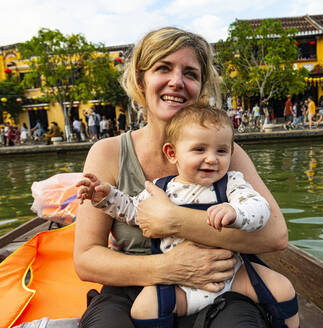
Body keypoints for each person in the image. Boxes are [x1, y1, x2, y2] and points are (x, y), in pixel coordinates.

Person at [75, 27, 291, 328]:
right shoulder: (108, 152)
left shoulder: (225, 154)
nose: (176, 81)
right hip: (132, 284)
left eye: (190, 73)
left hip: (220, 284)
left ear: (200, 86)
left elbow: (276, 235)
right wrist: (169, 267)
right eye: (163, 68)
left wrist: (173, 221)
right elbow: (86, 259)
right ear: (141, 79)